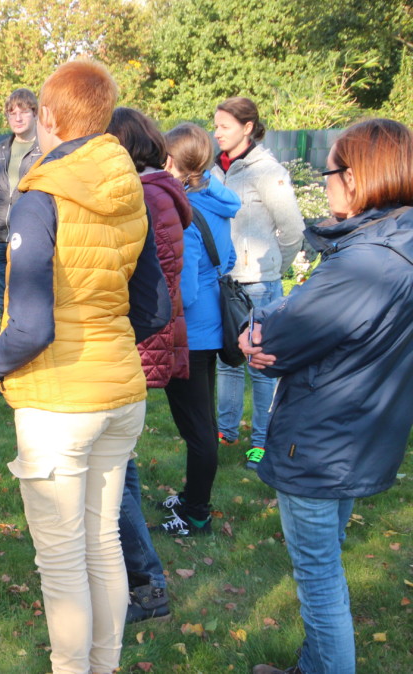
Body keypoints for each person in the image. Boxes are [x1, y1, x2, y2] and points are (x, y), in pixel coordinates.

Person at [0, 60, 169, 674]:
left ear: (50, 118)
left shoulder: (42, 194)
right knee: (103, 545)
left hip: (61, 404)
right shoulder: (129, 184)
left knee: (63, 562)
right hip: (120, 393)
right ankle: (104, 666)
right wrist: (106, 338)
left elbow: (31, 328)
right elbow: (155, 306)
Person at [245, 119, 413, 674]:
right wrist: (272, 325)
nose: (327, 181)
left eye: (334, 171)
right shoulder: (393, 243)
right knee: (325, 568)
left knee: (320, 583)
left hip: (323, 442)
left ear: (362, 177)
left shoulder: (367, 262)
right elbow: (296, 320)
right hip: (360, 433)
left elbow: (279, 339)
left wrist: (257, 334)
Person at [104, 107, 191, 627]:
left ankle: (145, 580)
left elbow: (148, 287)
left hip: (132, 344)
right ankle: (138, 571)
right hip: (134, 343)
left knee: (114, 466)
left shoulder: (148, 196)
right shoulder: (158, 192)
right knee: (120, 464)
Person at [156, 123, 241, 540]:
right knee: (204, 424)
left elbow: (183, 291)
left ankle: (196, 515)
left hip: (191, 334)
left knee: (198, 432)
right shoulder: (218, 199)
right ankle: (193, 496)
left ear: (171, 162)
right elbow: (227, 260)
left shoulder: (184, 209)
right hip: (210, 326)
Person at [211, 96, 304, 469]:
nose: (216, 133)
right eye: (215, 125)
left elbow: (293, 228)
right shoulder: (216, 171)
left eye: (224, 126)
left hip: (259, 286)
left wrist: (273, 267)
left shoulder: (267, 171)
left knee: (260, 367)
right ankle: (226, 434)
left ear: (247, 128)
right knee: (227, 363)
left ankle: (260, 445)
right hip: (224, 283)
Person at [0, 88, 42, 319]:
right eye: (11, 112)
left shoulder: (45, 150)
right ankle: (7, 356)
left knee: (28, 313)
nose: (17, 117)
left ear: (35, 114)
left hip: (30, 243)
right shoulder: (0, 150)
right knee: (4, 312)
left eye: (23, 112)